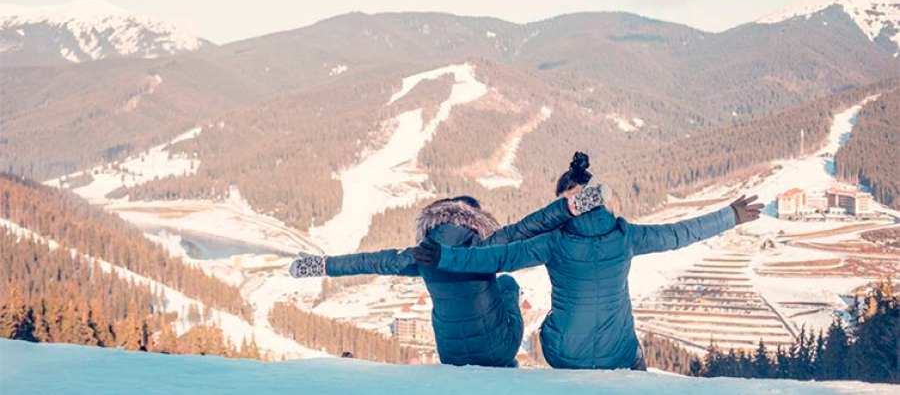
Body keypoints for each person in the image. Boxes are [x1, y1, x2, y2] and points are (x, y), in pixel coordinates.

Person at [412, 153, 763, 370]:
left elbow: (498, 255)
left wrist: (444, 256)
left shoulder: (551, 241)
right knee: (628, 346)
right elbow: (681, 233)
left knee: (536, 316)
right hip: (619, 356)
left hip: (564, 355)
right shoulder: (627, 236)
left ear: (566, 206)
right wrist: (730, 215)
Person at [288, 184, 605, 367]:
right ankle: (508, 369)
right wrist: (579, 202)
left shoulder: (422, 255)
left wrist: (320, 265)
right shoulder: (486, 246)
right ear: (477, 220)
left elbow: (369, 262)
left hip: (450, 354)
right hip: (498, 348)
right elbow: (531, 225)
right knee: (507, 283)